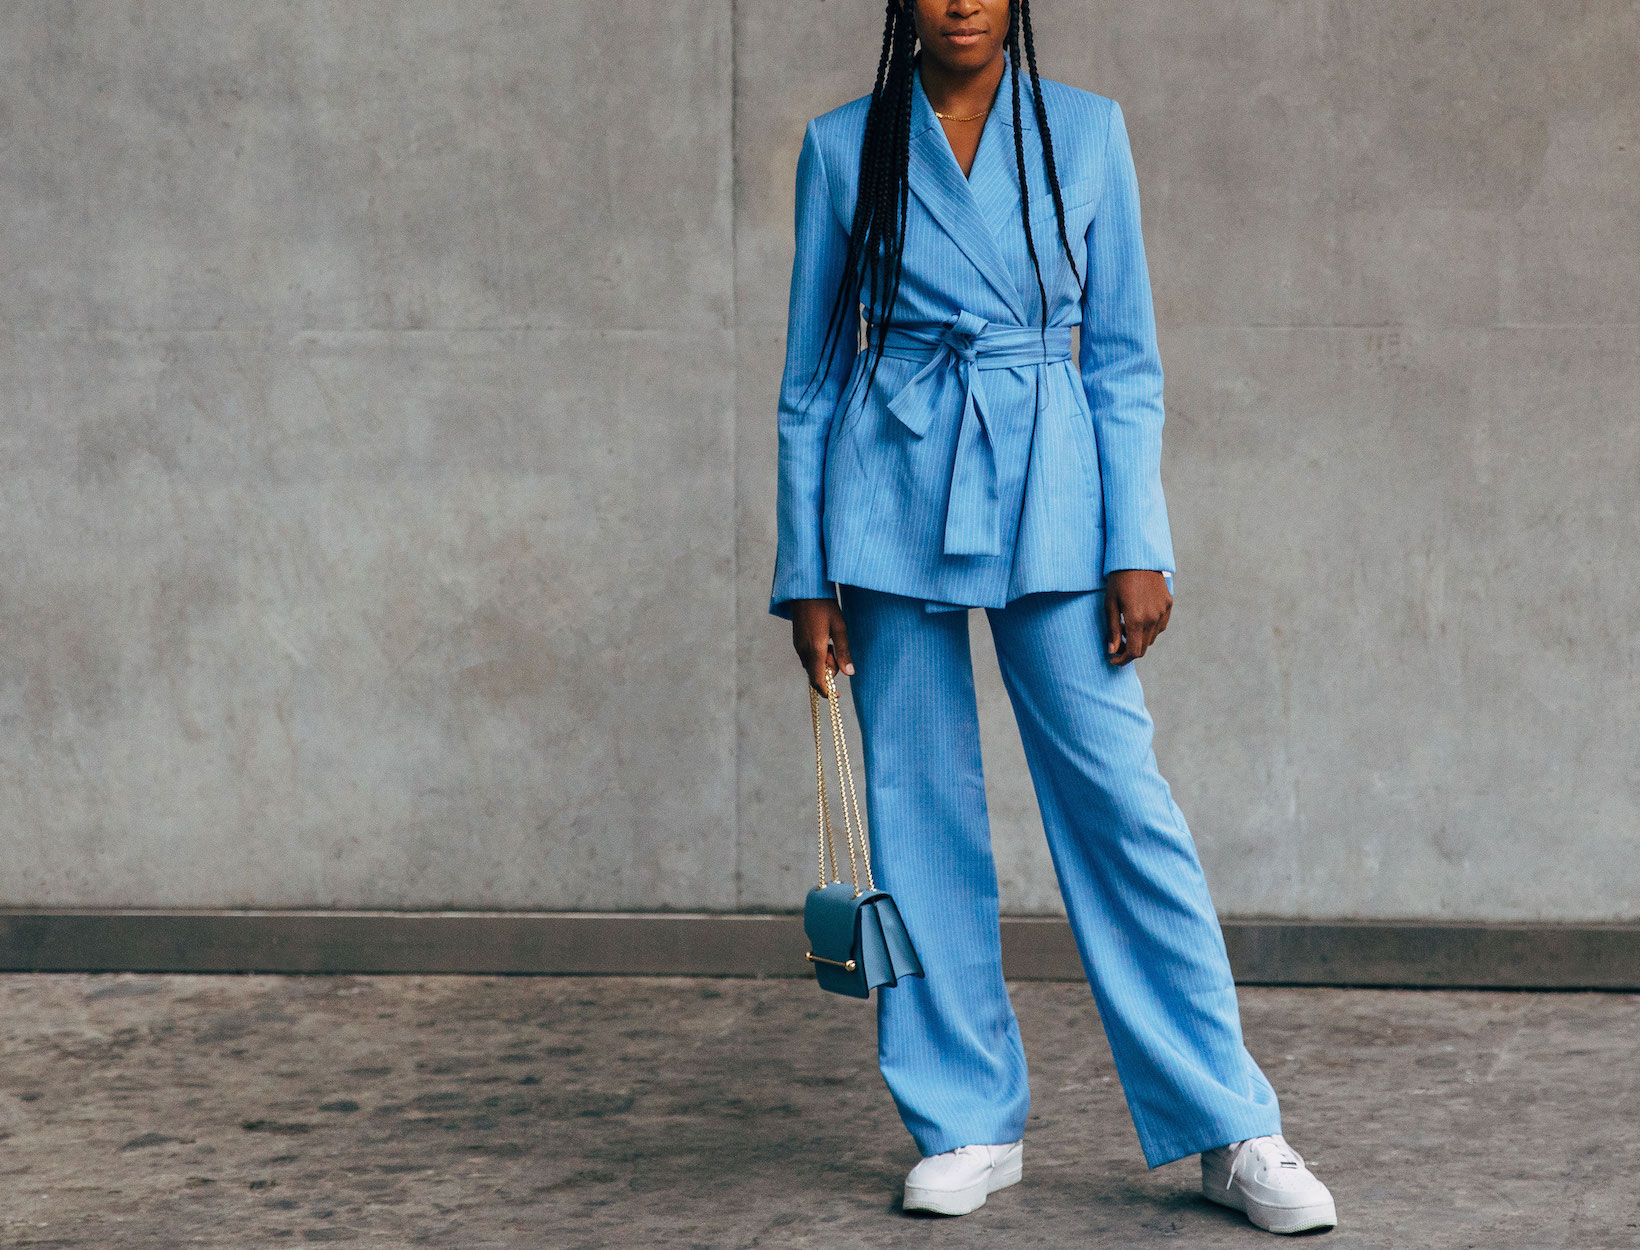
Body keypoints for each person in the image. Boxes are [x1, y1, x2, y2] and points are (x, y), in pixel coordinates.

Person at [767, 0, 1339, 1236]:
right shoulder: (841, 146)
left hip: (1051, 484)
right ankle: (963, 1115)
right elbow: (810, 379)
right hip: (889, 482)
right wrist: (802, 566)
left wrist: (1137, 537)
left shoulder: (1083, 132)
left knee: (1118, 803)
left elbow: (1122, 356)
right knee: (915, 805)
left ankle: (1225, 1120)